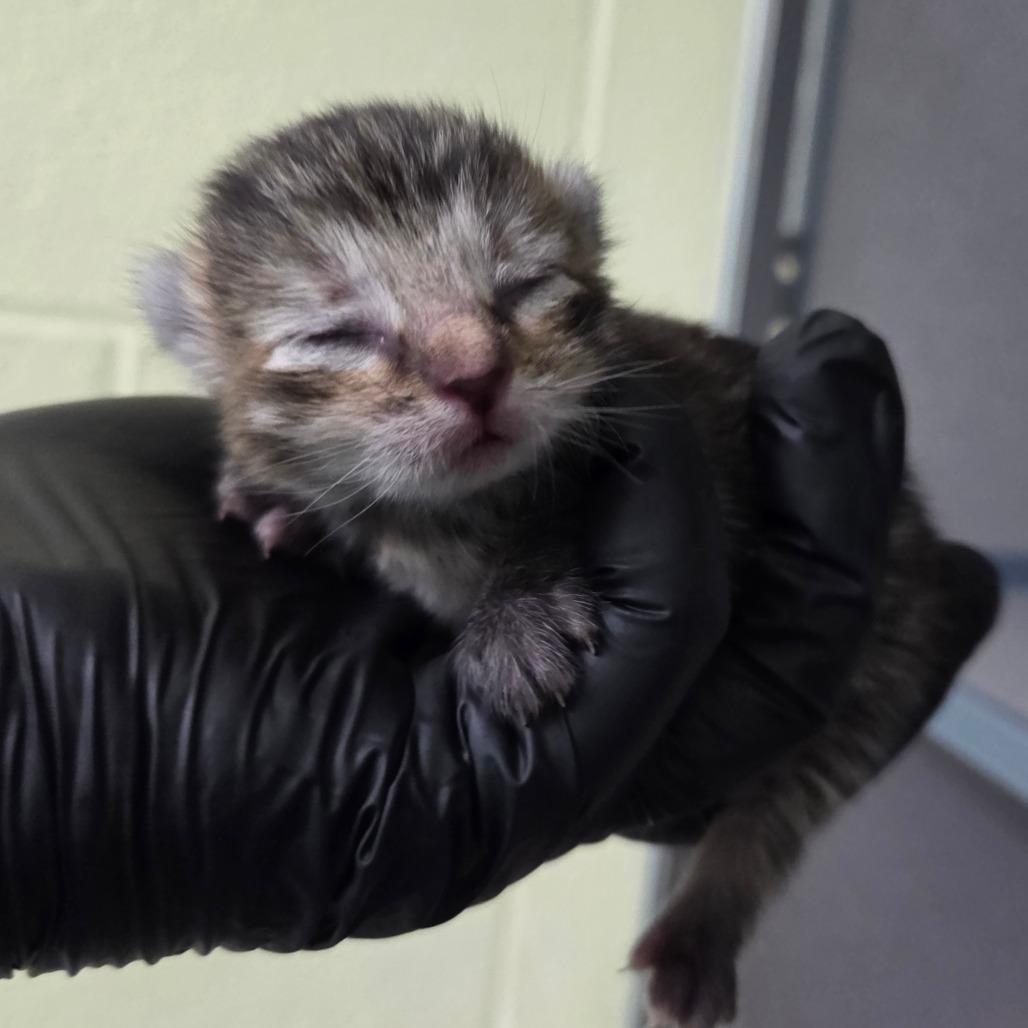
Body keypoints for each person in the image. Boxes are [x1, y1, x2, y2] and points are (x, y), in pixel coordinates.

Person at [0, 312, 994, 975]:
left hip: (837, 611)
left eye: (513, 289)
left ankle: (713, 913)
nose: (467, 352)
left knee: (794, 751)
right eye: (332, 331)